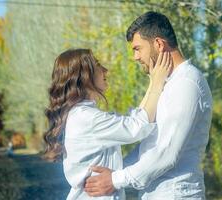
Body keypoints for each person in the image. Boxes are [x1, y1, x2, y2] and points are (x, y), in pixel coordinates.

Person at [84, 11, 213, 200]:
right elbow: (149, 145)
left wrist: (115, 180)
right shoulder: (169, 83)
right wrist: (114, 172)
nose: (135, 57)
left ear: (159, 44)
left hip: (177, 194)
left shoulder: (187, 83)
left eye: (138, 48)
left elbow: (167, 153)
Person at [43, 48, 172, 199]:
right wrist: (158, 83)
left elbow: (135, 120)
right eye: (98, 65)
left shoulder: (80, 115)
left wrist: (152, 82)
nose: (105, 70)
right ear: (84, 75)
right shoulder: (87, 118)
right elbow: (138, 127)